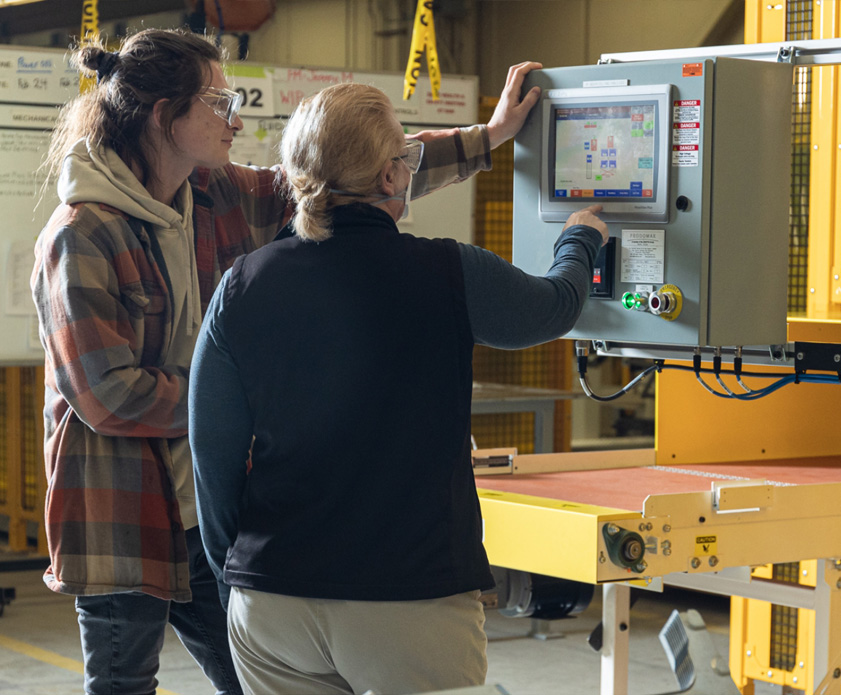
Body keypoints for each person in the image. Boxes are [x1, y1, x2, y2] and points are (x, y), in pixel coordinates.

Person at [31, 26, 542, 695]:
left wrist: (489, 138)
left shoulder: (217, 193)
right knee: (121, 686)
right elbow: (106, 396)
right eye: (217, 102)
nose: (234, 116)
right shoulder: (80, 235)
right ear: (165, 116)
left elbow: (353, 173)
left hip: (212, 511)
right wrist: (235, 401)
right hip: (121, 511)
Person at [187, 82, 608, 695]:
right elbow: (553, 308)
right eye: (406, 160)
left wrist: (241, 581)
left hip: (272, 600)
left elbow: (212, 455)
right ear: (389, 179)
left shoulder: (242, 284)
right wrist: (581, 238)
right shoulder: (447, 271)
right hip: (410, 597)